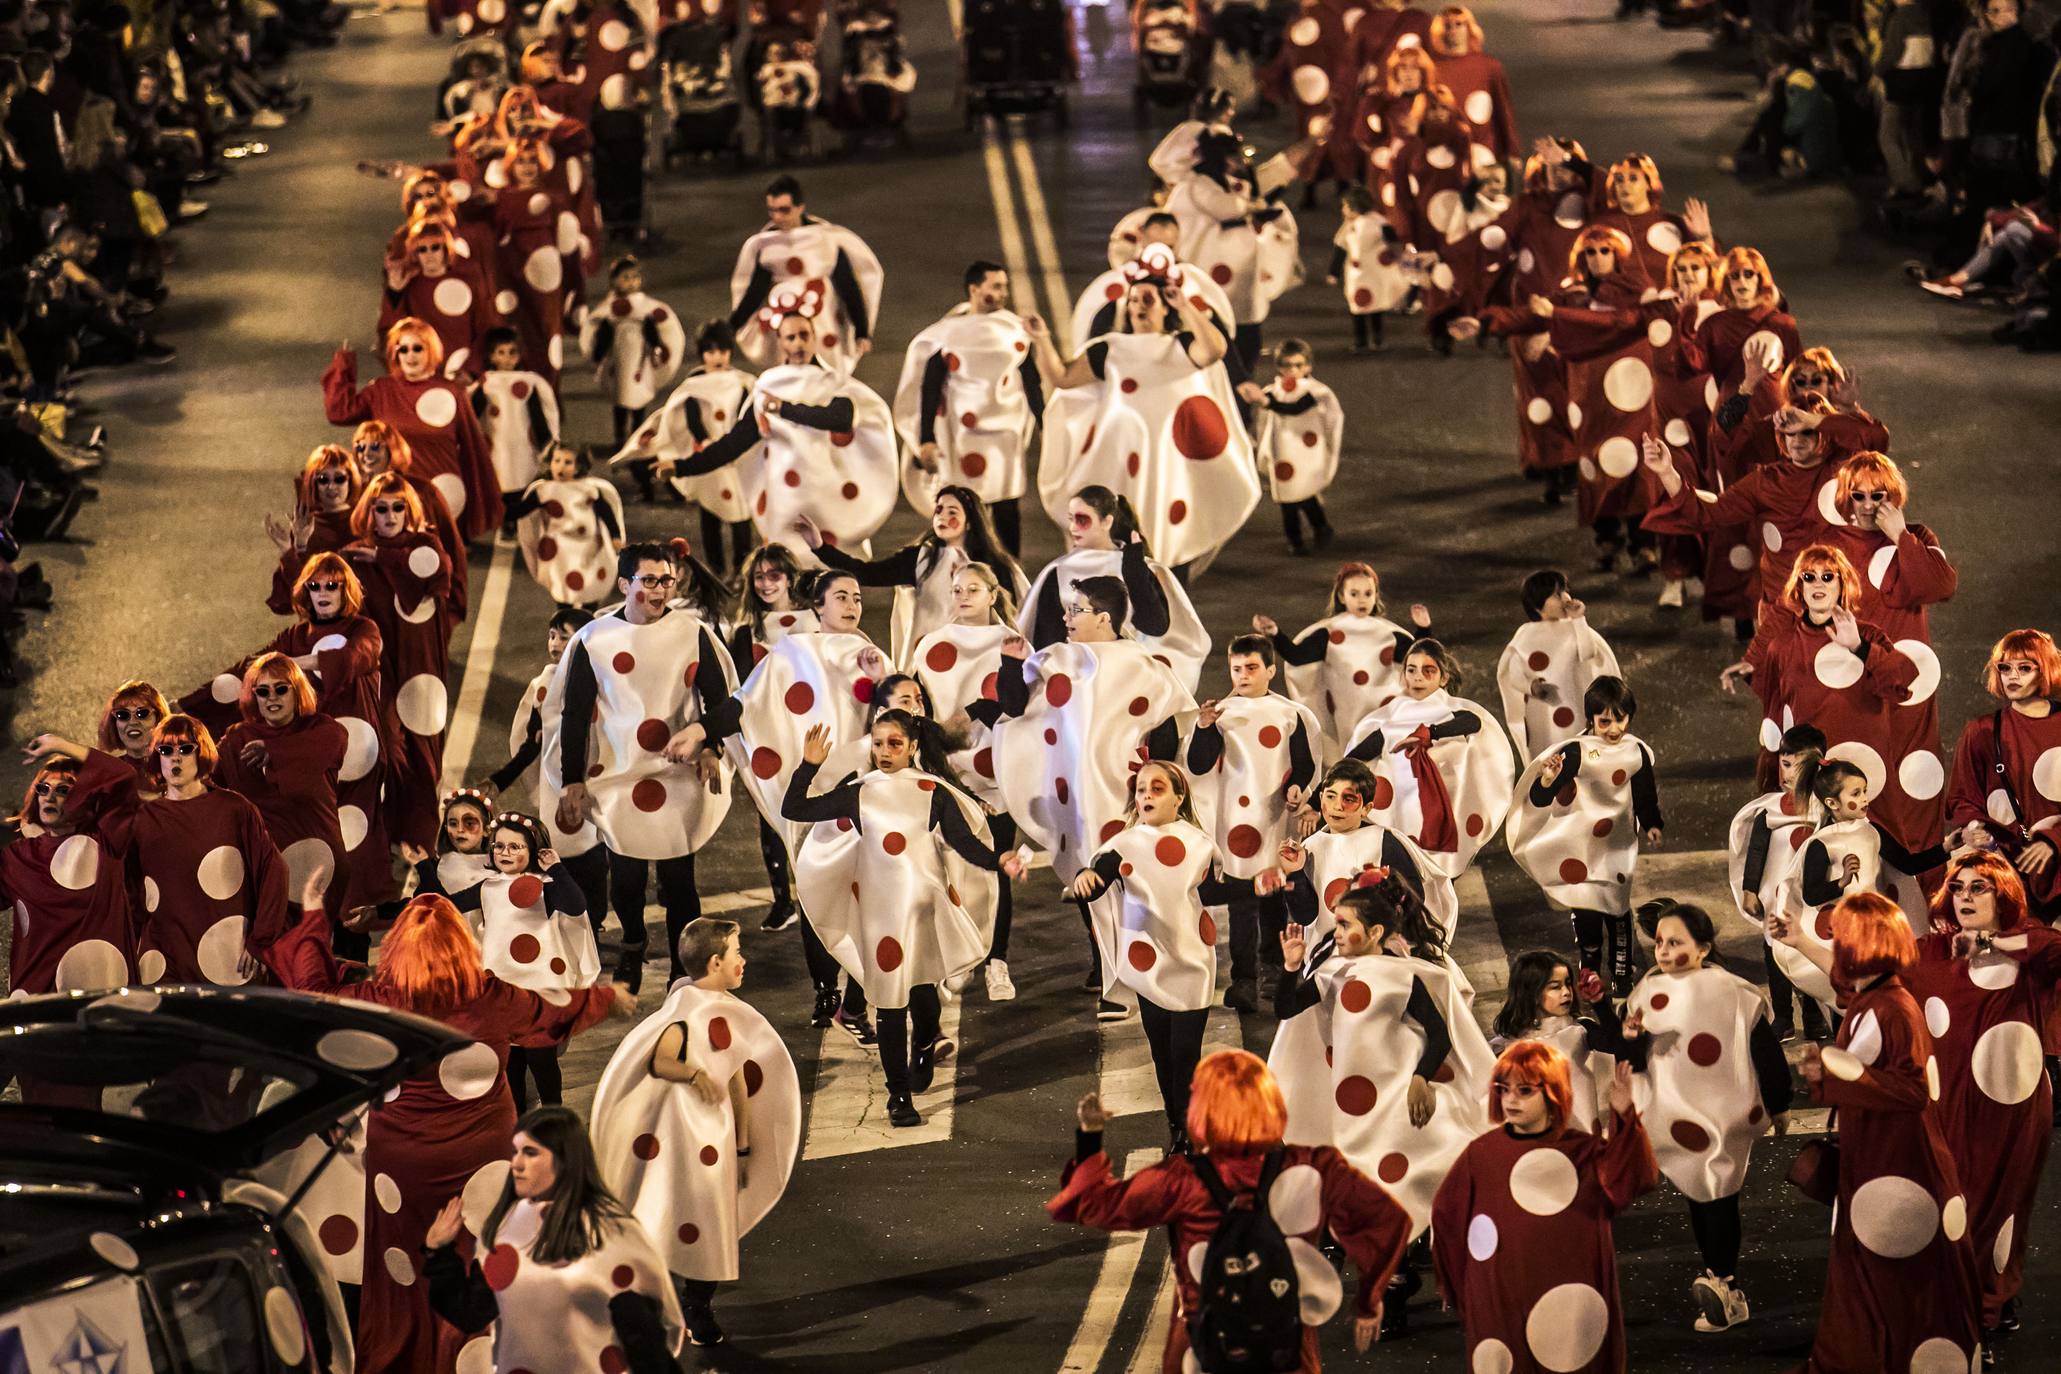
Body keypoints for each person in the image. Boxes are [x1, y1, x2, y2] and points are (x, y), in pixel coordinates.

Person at [273, 889, 631, 1374]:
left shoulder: (378, 1000)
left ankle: (407, 1356)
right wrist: (607, 999)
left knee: (407, 1267)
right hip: (481, 1155)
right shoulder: (490, 997)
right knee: (481, 1257)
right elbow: (552, 1011)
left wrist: (314, 912)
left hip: (401, 1165)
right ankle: (477, 1358)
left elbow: (312, 993)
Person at [1048, 1049, 1412, 1373]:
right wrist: (1369, 1298)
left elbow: (1094, 1205)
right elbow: (1386, 1220)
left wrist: (1091, 1135)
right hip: (1285, 1342)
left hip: (1205, 1344)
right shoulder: (1312, 1167)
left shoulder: (1182, 1181)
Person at [1269, 875, 1495, 1334]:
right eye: (1335, 923)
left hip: (1396, 1102)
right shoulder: (1331, 974)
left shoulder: (1403, 976)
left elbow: (1439, 1032)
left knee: (1401, 1188)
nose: (1336, 932)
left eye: (1346, 924)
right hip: (1352, 1111)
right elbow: (1287, 1008)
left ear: (1374, 932)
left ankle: (1397, 1284)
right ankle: (1395, 1276)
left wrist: (1419, 1079)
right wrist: (1292, 967)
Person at [1771, 892, 1985, 1373]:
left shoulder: (1892, 1007)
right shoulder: (1877, 995)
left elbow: (1910, 1092)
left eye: (1842, 935)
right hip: (1883, 1161)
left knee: (1886, 1271)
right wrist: (1801, 939)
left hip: (1897, 1164)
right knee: (1876, 1270)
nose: (1837, 942)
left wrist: (1835, 1074)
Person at [786, 713, 1022, 1125]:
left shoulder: (932, 791)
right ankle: (898, 1097)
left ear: (913, 746)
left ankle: (926, 1044)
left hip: (924, 912)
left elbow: (963, 842)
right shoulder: (860, 793)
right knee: (891, 1004)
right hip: (881, 919)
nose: (884, 752)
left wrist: (998, 858)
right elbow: (795, 808)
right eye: (877, 744)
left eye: (894, 744)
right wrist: (809, 765)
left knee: (924, 998)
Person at [691, 568, 886, 1034]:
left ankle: (859, 995)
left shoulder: (872, 654)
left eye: (857, 596)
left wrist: (887, 679)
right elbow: (745, 703)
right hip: (811, 791)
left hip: (861, 794)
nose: (852, 604)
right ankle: (826, 991)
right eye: (840, 596)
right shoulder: (791, 652)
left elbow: (897, 712)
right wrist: (701, 731)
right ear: (816, 607)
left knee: (870, 896)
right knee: (817, 890)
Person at [593, 919, 802, 1349]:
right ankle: (658, 1301)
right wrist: (694, 1073)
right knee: (670, 1212)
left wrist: (744, 1146)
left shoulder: (729, 1012)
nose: (743, 960)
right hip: (680, 1141)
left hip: (718, 1139)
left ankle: (697, 1303)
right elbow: (662, 1059)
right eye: (737, 954)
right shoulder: (687, 1013)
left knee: (711, 1220)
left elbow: (739, 1083)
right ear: (714, 962)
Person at [993, 575, 1196, 1013]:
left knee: (1126, 881)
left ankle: (1121, 978)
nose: (1065, 617)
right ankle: (1106, 963)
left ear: (1104, 618)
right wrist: (1011, 664)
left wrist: (1151, 786)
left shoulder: (1141, 664)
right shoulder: (1055, 659)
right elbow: (1014, 708)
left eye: (1077, 609)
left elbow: (1163, 727)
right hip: (1076, 798)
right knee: (1087, 877)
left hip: (1123, 795)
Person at [547, 541, 739, 992]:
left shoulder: (691, 632)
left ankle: (682, 967)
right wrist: (572, 778)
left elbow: (721, 698)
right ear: (624, 584)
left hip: (678, 773)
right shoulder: (594, 639)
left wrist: (708, 743)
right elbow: (573, 712)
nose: (659, 590)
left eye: (666, 580)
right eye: (649, 580)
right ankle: (633, 942)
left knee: (679, 879)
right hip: (618, 775)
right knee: (628, 878)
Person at [1615, 900, 1791, 1334]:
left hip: (1720, 1117)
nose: (1662, 951)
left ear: (1703, 948)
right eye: (1658, 942)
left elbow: (1764, 1051)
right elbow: (1637, 1058)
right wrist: (1631, 1038)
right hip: (1677, 1116)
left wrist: (1780, 1101)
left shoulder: (1732, 991)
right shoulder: (1647, 990)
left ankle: (1724, 1282)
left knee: (1716, 1194)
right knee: (1703, 1196)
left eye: (1675, 942)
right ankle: (1719, 1277)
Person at [1905, 853, 2057, 1344]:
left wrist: (1991, 942)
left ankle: (1989, 1309)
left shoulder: (2030, 949)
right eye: (1959, 887)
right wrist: (1800, 939)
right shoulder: (1931, 951)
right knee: (1953, 1205)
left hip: (2013, 1109)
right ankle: (1965, 1307)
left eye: (1979, 888)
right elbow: (1864, 978)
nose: (1965, 897)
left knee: (2001, 1209)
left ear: (2004, 896)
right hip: (1947, 1104)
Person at [1430, 1046, 1656, 1374]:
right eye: (1503, 1089)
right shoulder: (1481, 1155)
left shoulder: (1583, 1152)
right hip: (1501, 1296)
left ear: (1552, 1092)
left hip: (1569, 1298)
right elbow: (1447, 1216)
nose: (1511, 1100)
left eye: (1524, 1090)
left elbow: (1630, 1179)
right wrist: (1455, 1283)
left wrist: (1624, 1117)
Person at [1026, 261, 1260, 574]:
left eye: (1147, 299)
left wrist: (1185, 305)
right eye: (1133, 299)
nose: (1138, 306)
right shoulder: (1109, 348)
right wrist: (1041, 339)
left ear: (1165, 306)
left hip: (1172, 465)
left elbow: (1215, 349)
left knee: (1171, 543)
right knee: (1120, 542)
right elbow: (1063, 377)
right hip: (1123, 465)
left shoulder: (1182, 345)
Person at [1072, 761, 1262, 1143]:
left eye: (1156, 789)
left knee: (1185, 1053)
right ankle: (1178, 1125)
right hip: (1150, 965)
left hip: (1191, 961)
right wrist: (1085, 878)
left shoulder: (1198, 844)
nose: (1145, 796)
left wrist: (1256, 885)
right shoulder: (1122, 845)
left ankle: (1189, 1132)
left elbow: (1209, 891)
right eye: (1140, 789)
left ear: (1179, 797)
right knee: (1162, 1053)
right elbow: (1099, 876)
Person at [25, 719, 289, 986]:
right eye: (166, 751)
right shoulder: (142, 817)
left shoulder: (233, 808)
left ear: (201, 753)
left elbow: (272, 870)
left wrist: (260, 940)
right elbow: (127, 889)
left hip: (226, 954)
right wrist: (59, 745)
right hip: (162, 959)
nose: (176, 758)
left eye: (185, 749)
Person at [422, 1106, 685, 1371]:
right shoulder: (507, 1231)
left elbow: (646, 1346)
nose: (516, 1164)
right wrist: (438, 1252)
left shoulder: (609, 1234)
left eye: (531, 1153)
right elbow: (471, 1312)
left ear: (564, 1160)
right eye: (516, 1151)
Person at [1725, 544, 1943, 855]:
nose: (1818, 584)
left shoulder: (1868, 636)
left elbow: (1902, 681)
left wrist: (1858, 647)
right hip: (1811, 776)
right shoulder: (1782, 645)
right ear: (1798, 586)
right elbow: (1775, 717)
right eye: (1809, 577)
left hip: (1866, 772)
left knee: (1875, 859)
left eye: (1828, 577)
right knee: (1812, 864)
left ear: (1843, 584)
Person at [662, 306, 899, 556]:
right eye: (790, 337)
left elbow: (840, 418)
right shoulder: (768, 385)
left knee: (833, 572)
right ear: (781, 342)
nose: (798, 343)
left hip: (829, 499)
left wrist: (784, 409)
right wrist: (681, 466)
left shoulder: (832, 383)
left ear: (814, 337)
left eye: (804, 335)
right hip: (785, 503)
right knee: (788, 571)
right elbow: (734, 444)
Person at [1184, 635, 1321, 1012]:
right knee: (1242, 900)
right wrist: (1205, 728)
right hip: (1235, 823)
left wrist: (1296, 788)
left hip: (1274, 819)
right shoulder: (1220, 714)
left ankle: (1273, 966)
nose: (1243, 675)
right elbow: (1198, 765)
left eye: (1252, 668)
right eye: (1236, 668)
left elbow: (1304, 762)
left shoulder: (1288, 714)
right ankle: (1243, 977)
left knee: (1274, 897)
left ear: (1270, 671)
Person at [1507, 676, 1663, 994]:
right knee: (1585, 903)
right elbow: (1539, 799)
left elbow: (1645, 793)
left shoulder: (1636, 753)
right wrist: (1549, 779)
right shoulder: (1577, 752)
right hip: (1581, 844)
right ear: (1590, 718)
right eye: (1605, 720)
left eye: (1620, 718)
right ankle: (1589, 964)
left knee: (1617, 905)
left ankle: (1621, 970)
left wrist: (1652, 823)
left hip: (1617, 842)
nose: (1614, 728)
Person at [912, 561, 1025, 998]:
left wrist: (981, 708)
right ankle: (958, 957)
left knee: (996, 869)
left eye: (972, 589)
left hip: (998, 775)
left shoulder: (1012, 643)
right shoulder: (932, 645)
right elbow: (919, 706)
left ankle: (997, 959)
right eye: (956, 588)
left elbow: (1021, 709)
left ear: (993, 594)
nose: (962, 596)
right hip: (946, 776)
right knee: (948, 869)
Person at [892, 261, 1042, 553]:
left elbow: (1031, 381)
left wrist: (1045, 422)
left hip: (1002, 436)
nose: (1003, 293)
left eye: (1005, 287)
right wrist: (926, 439)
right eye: (996, 286)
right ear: (974, 289)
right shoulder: (948, 334)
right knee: (960, 507)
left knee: (1006, 508)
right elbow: (930, 388)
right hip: (959, 437)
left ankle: (1009, 581)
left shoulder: (1015, 332)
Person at [796, 483, 1027, 668]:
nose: (942, 517)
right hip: (930, 664)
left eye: (952, 512)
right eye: (938, 510)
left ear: (969, 522)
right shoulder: (921, 558)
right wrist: (820, 547)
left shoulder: (995, 565)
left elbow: (1012, 613)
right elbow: (867, 573)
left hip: (979, 662)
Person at [345, 474, 455, 852]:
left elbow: (433, 575)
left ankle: (423, 840)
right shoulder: (356, 554)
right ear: (369, 511)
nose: (390, 515)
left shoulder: (424, 547)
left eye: (398, 507)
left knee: (424, 757)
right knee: (388, 751)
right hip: (381, 670)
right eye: (381, 507)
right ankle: (389, 839)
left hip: (421, 670)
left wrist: (384, 557)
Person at [1343, 638, 1515, 879]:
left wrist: (1430, 733)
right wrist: (1313, 802)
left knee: (1442, 885)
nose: (1418, 677)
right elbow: (1354, 760)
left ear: (1443, 678)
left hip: (1448, 817)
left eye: (1428, 670)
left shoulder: (1452, 713)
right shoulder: (1390, 722)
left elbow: (1472, 722)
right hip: (1404, 816)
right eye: (1411, 670)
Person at [323, 317, 499, 540]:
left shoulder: (454, 393)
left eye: (417, 348)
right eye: (403, 349)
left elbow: (473, 451)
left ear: (430, 350)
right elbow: (339, 412)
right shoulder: (381, 390)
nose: (410, 355)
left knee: (437, 567)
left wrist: (480, 500)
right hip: (392, 502)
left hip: (443, 495)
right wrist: (343, 366)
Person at [1019, 485, 1209, 690]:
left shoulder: (1142, 567)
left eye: (1082, 519)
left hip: (1128, 676)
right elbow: (1045, 634)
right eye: (1071, 519)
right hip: (1076, 676)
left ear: (1107, 521)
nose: (1073, 527)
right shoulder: (1057, 570)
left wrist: (1134, 570)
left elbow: (1155, 626)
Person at [214, 654, 351, 921]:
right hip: (270, 875)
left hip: (321, 868)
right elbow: (207, 780)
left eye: (281, 689)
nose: (272, 698)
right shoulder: (238, 737)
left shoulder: (322, 729)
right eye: (263, 691)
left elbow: (333, 742)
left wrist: (273, 751)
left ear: (296, 690)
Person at [620, 319, 757, 566]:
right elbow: (689, 415)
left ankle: (742, 566)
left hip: (734, 456)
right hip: (705, 455)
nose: (717, 357)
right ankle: (716, 567)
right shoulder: (693, 386)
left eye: (723, 351)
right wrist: (703, 440)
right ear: (702, 353)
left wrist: (736, 442)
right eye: (711, 351)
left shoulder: (743, 383)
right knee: (709, 511)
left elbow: (746, 414)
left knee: (740, 513)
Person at [1948, 628, 2061, 918]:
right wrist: (1973, 827)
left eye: (2024, 668)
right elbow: (1962, 799)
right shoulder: (1982, 730)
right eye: (2005, 668)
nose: (2012, 676)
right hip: (2009, 869)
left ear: (2045, 670)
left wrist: (2054, 840)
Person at [1257, 561, 1432, 748]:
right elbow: (1299, 656)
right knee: (1353, 755)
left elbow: (1417, 658)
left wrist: (1423, 630)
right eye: (1354, 594)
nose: (1362, 600)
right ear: (1341, 596)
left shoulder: (1389, 634)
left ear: (1376, 595)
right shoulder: (1329, 633)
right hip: (1348, 714)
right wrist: (1275, 634)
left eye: (1368, 593)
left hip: (1384, 712)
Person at [1728, 722, 1829, 1040]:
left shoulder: (1825, 811)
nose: (1789, 774)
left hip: (1809, 904)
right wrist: (1749, 889)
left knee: (1809, 958)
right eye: (1785, 764)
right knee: (1775, 958)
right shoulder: (1768, 811)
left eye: (1799, 767)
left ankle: (1814, 1017)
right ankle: (1783, 1016)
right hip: (1774, 902)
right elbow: (1755, 852)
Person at [728, 175, 882, 376]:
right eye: (772, 210)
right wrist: (732, 326)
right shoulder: (765, 245)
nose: (777, 217)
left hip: (823, 320)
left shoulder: (825, 239)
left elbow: (848, 285)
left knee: (828, 373)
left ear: (800, 207)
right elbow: (755, 291)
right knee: (788, 374)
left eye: (784, 210)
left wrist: (862, 330)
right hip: (785, 324)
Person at [1493, 569, 1620, 760]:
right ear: (1537, 604)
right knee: (1547, 751)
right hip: (1542, 711)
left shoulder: (1574, 627)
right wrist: (1531, 686)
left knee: (1581, 748)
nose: (1565, 597)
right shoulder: (1525, 635)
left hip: (1576, 702)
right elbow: (1514, 672)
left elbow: (1588, 652)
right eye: (1556, 594)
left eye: (1565, 591)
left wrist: (1579, 619)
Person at [1488, 950, 1607, 1129]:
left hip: (1584, 1138)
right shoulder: (1506, 1047)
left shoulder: (1580, 1030)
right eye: (1555, 986)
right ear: (1532, 994)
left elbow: (1618, 1046)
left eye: (1568, 984)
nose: (1567, 992)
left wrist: (1599, 1003)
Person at [580, 256, 687, 448]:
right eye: (625, 277)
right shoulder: (608, 311)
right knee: (620, 402)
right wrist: (597, 355)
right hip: (619, 364)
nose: (631, 282)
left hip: (640, 363)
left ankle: (637, 436)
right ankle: (620, 437)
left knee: (640, 400)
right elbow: (602, 333)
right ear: (614, 281)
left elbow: (652, 331)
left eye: (635, 277)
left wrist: (657, 347)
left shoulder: (645, 308)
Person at [1251, 339, 1342, 555]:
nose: (1293, 371)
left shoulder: (1316, 392)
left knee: (1306, 492)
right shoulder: (1272, 391)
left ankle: (1321, 526)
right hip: (1283, 454)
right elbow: (1264, 421)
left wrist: (1266, 403)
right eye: (1287, 365)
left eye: (1298, 365)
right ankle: (1295, 540)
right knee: (1288, 500)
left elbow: (1295, 408)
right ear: (1279, 367)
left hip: (1305, 454)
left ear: (1308, 366)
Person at [510, 441, 625, 607]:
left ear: (579, 467)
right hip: (560, 550)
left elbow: (605, 512)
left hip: (588, 547)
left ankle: (588, 616)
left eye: (568, 462)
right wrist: (498, 511)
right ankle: (564, 621)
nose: (560, 467)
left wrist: (615, 536)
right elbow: (521, 510)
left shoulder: (588, 489)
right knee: (562, 587)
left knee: (590, 585)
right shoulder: (544, 492)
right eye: (556, 461)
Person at [470, 326, 561, 532]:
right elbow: (473, 410)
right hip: (496, 438)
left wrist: (548, 440)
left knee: (521, 474)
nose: (507, 358)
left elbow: (542, 411)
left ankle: (516, 516)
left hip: (521, 438)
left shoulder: (530, 381)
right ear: (491, 356)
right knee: (498, 474)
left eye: (512, 352)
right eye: (501, 353)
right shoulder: (485, 383)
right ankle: (502, 516)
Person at [1330, 184, 1411, 352]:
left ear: (1354, 207)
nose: (1343, 210)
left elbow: (1393, 242)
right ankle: (1367, 340)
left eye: (1345, 206)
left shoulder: (1374, 223)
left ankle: (1369, 339)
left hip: (1371, 272)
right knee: (1363, 305)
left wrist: (1333, 272)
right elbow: (1341, 247)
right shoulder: (1358, 224)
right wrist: (1334, 271)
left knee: (1369, 306)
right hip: (1362, 274)